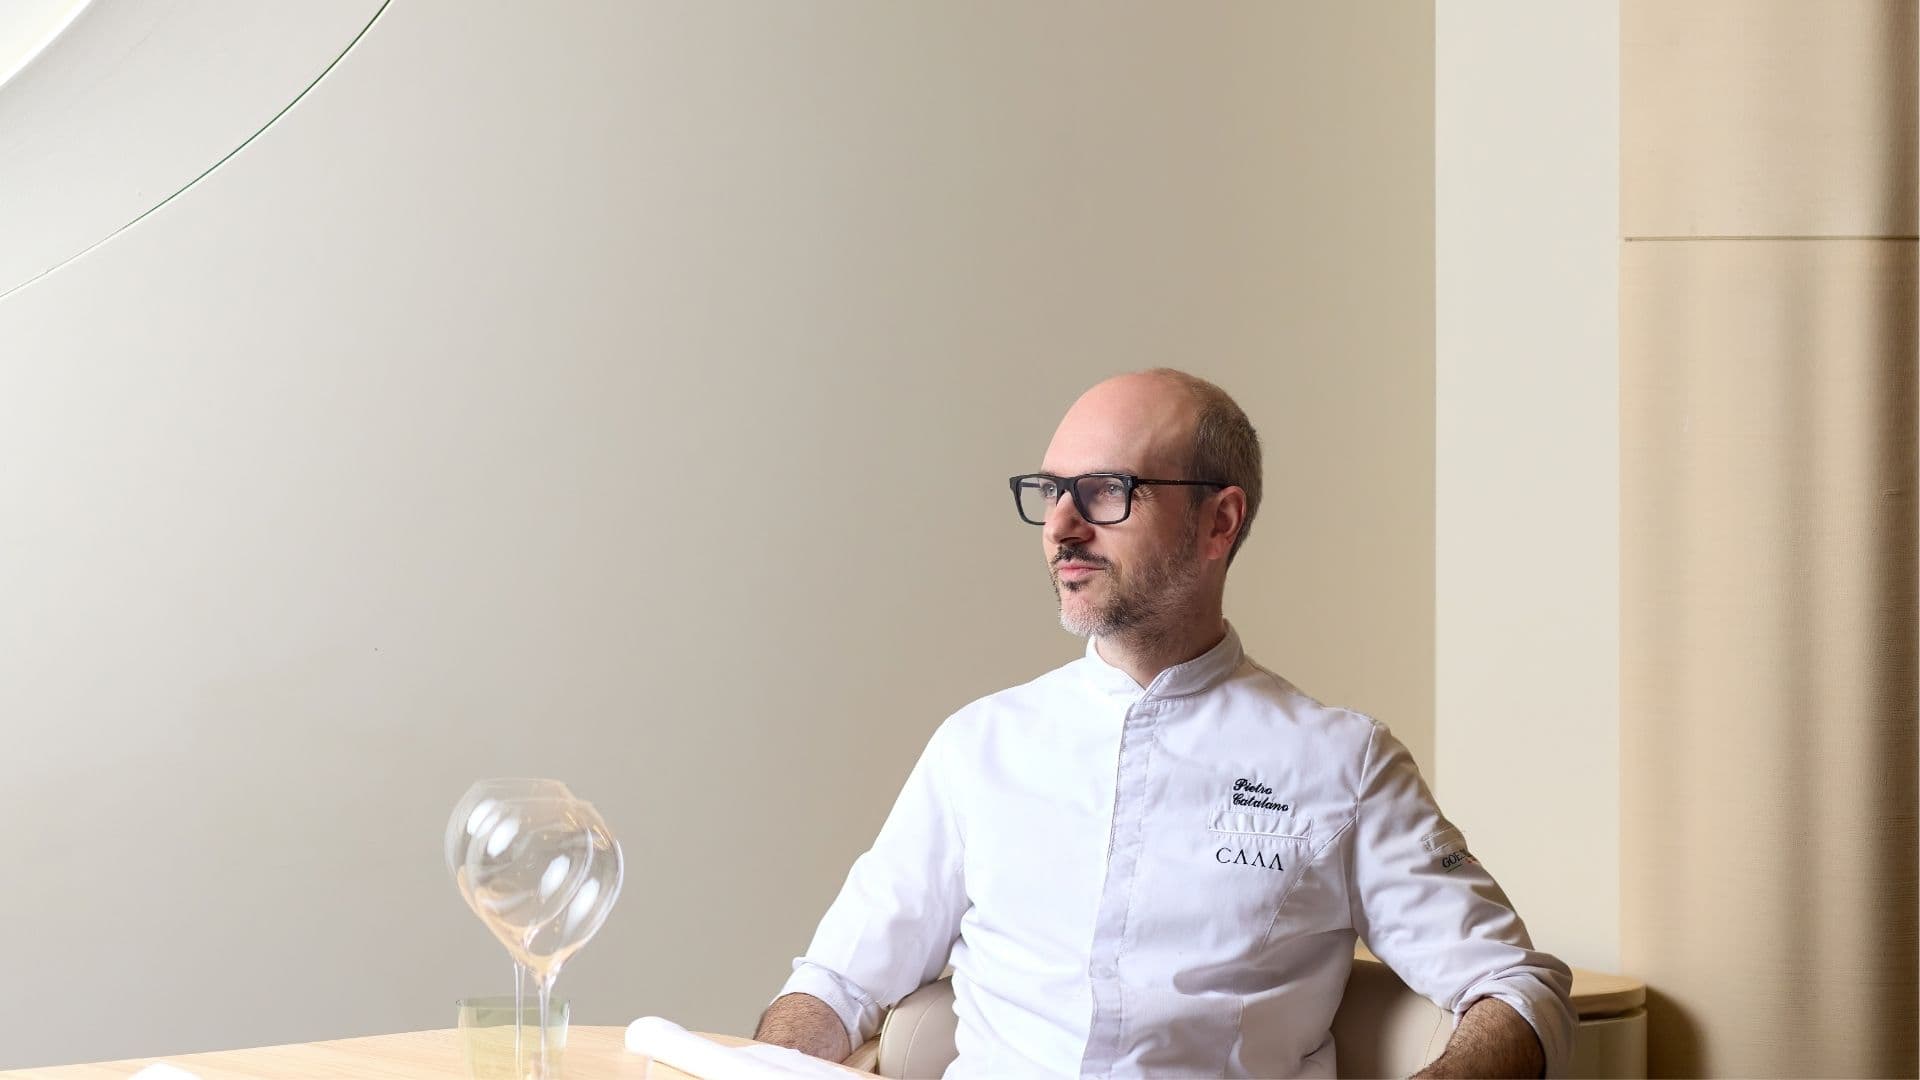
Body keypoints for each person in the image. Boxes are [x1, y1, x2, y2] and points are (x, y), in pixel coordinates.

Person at [755, 370, 1574, 1078]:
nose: (1062, 528)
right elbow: (835, 986)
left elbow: (1516, 989)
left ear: (1219, 522)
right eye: (1051, 492)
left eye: (1107, 492)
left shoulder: (1342, 761)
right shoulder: (979, 747)